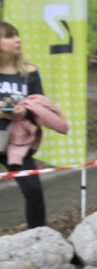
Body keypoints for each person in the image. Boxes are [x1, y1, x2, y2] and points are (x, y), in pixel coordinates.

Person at [0, 22, 68, 229]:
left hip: (16, 143)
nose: (17, 40)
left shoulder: (30, 72)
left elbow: (41, 105)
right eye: (10, 36)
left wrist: (24, 112)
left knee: (33, 190)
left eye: (17, 35)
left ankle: (38, 237)